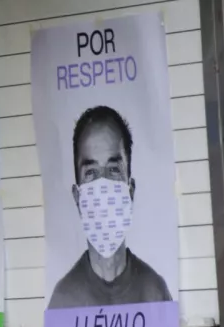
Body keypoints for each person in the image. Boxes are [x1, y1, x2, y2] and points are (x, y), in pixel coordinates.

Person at [48, 105, 172, 309]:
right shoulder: (63, 301)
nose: (102, 185)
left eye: (113, 170)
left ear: (130, 191)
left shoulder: (155, 292)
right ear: (78, 198)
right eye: (91, 172)